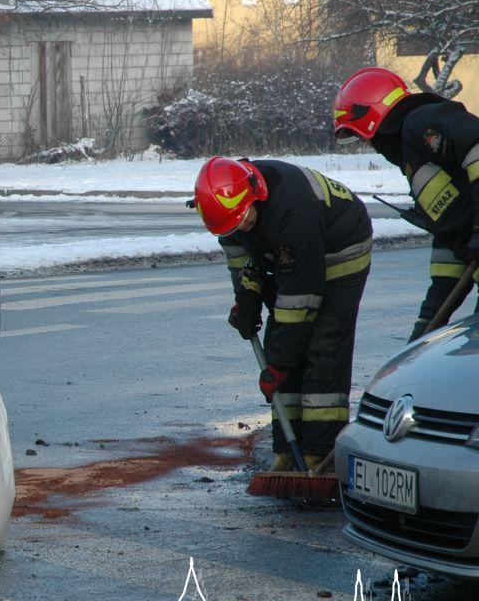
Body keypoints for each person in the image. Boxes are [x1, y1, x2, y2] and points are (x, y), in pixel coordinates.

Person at [192, 157, 373, 471]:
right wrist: (246, 300)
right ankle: (288, 454)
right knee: (280, 336)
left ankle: (321, 454)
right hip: (288, 255)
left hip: (340, 248)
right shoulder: (228, 212)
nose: (242, 228)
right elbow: (241, 262)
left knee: (322, 347)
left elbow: (302, 297)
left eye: (244, 220)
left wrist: (279, 364)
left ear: (255, 196)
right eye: (233, 227)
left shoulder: (292, 209)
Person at [334, 67, 479, 340]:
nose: (370, 146)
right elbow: (452, 240)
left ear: (373, 121)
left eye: (365, 138)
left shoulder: (422, 121)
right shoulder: (415, 158)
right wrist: (427, 324)